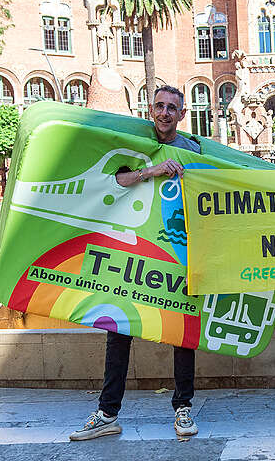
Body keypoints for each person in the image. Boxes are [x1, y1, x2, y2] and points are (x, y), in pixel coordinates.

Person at [70, 85, 202, 441]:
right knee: (119, 329)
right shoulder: (133, 143)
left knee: (183, 332)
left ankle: (183, 408)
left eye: (171, 107)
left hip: (176, 251)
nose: (164, 113)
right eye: (159, 106)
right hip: (131, 250)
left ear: (182, 113)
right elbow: (114, 179)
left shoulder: (192, 149)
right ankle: (108, 413)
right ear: (150, 110)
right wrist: (151, 171)